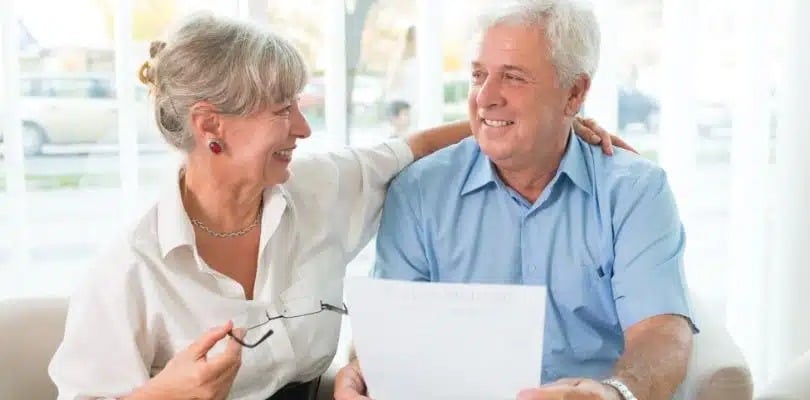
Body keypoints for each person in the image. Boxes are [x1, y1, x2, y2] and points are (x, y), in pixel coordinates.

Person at [46, 11, 626, 400]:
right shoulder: (132, 267)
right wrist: (163, 394)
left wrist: (549, 120)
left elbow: (416, 147)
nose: (302, 126)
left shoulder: (318, 189)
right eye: (281, 110)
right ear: (209, 126)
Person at [334, 1, 695, 400]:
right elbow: (392, 331)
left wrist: (614, 393)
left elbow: (661, 331)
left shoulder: (634, 191)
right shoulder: (419, 191)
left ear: (574, 94)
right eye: (478, 75)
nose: (485, 97)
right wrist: (366, 368)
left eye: (513, 77)